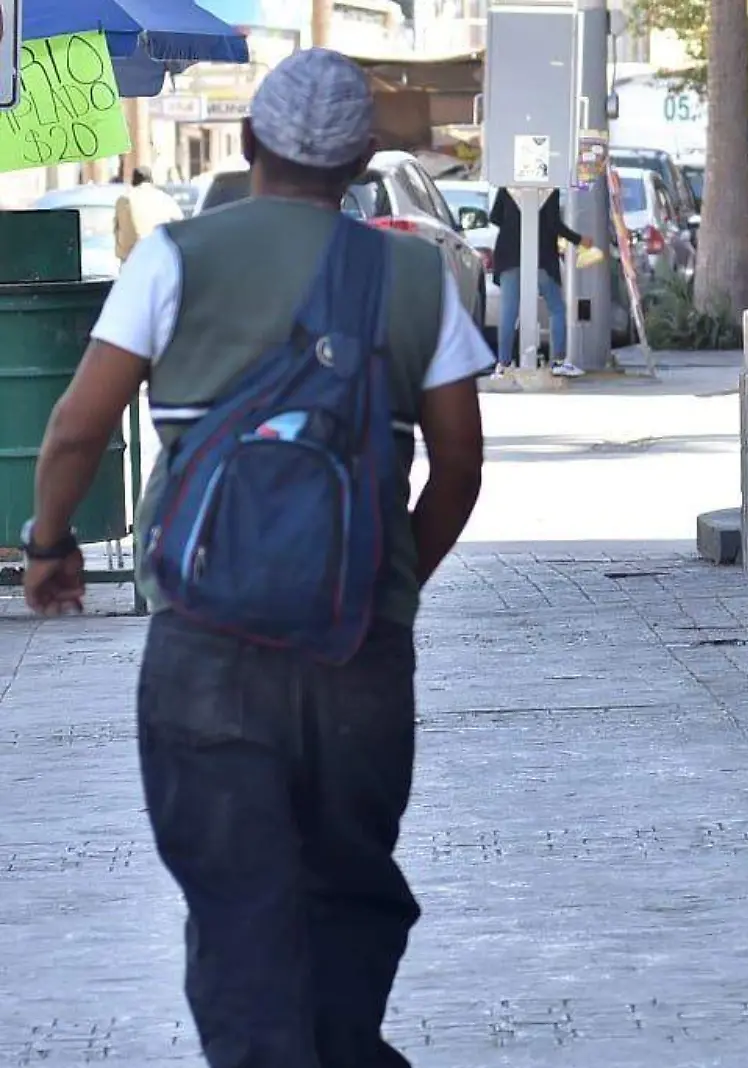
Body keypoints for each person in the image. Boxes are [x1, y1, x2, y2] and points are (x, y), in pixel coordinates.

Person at [21, 48, 491, 1064]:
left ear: (248, 146)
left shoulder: (175, 256)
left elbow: (74, 429)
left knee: (239, 910)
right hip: (360, 652)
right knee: (350, 895)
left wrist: (49, 545)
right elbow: (458, 464)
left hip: (207, 649)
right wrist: (390, 580)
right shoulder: (415, 274)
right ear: (362, 158)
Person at [489, 186, 592, 377]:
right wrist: (579, 239)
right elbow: (554, 224)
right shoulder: (548, 189)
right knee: (556, 308)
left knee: (509, 311)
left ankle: (503, 364)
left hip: (509, 253)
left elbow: (494, 217)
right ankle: (558, 362)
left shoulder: (508, 185)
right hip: (541, 255)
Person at [114, 166, 181, 263]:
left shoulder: (124, 200)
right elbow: (179, 222)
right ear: (151, 180)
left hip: (131, 259)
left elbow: (117, 231)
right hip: (159, 256)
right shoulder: (165, 199)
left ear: (133, 180)